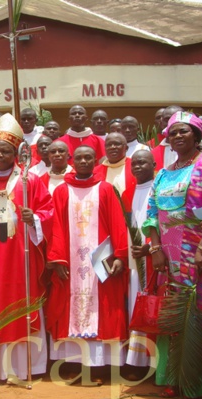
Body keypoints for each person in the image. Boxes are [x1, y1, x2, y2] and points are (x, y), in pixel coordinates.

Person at [142, 111, 202, 399]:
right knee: (174, 314)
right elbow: (152, 214)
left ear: (196, 135)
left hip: (201, 252)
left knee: (201, 313)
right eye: (173, 133)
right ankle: (173, 377)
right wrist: (156, 250)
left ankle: (201, 384)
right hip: (169, 256)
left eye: (184, 131)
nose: (178, 136)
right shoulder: (162, 173)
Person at [0, 113, 53, 381]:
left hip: (22, 256)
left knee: (24, 300)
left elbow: (47, 212)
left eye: (5, 151)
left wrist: (34, 219)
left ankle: (30, 367)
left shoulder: (30, 181)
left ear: (16, 153)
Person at [46, 145, 129, 383]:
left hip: (101, 259)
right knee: (71, 305)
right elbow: (56, 228)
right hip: (71, 261)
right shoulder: (62, 191)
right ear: (73, 160)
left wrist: (120, 256)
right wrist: (57, 259)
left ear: (95, 161)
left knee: (104, 307)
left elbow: (118, 224)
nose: (83, 161)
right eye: (79, 157)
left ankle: (101, 366)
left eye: (88, 157)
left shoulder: (106, 189)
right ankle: (73, 363)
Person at [122, 150, 157, 377]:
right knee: (136, 304)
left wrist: (151, 247)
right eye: (134, 163)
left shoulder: (159, 188)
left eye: (143, 162)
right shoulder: (127, 193)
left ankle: (154, 363)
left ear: (154, 164)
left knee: (154, 305)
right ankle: (136, 361)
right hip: (133, 260)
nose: (137, 167)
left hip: (155, 257)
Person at [151, 105, 183, 171]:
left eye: (177, 119)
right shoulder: (152, 154)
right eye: (167, 119)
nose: (172, 123)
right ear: (161, 122)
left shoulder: (197, 151)